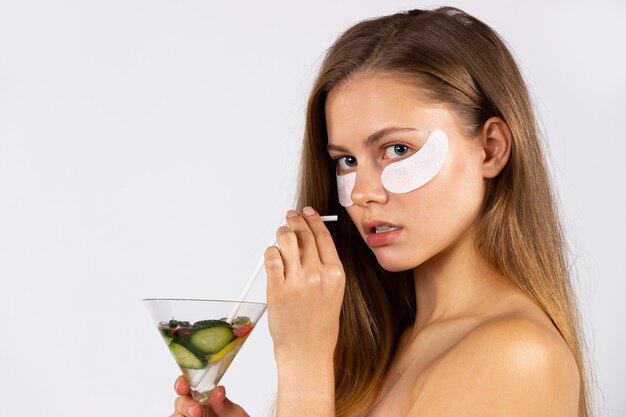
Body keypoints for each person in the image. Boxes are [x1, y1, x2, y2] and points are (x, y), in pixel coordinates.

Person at [172, 7, 590, 417]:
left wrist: (303, 363)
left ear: (491, 148)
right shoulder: (389, 344)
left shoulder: (518, 356)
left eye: (397, 149)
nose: (363, 194)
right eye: (346, 161)